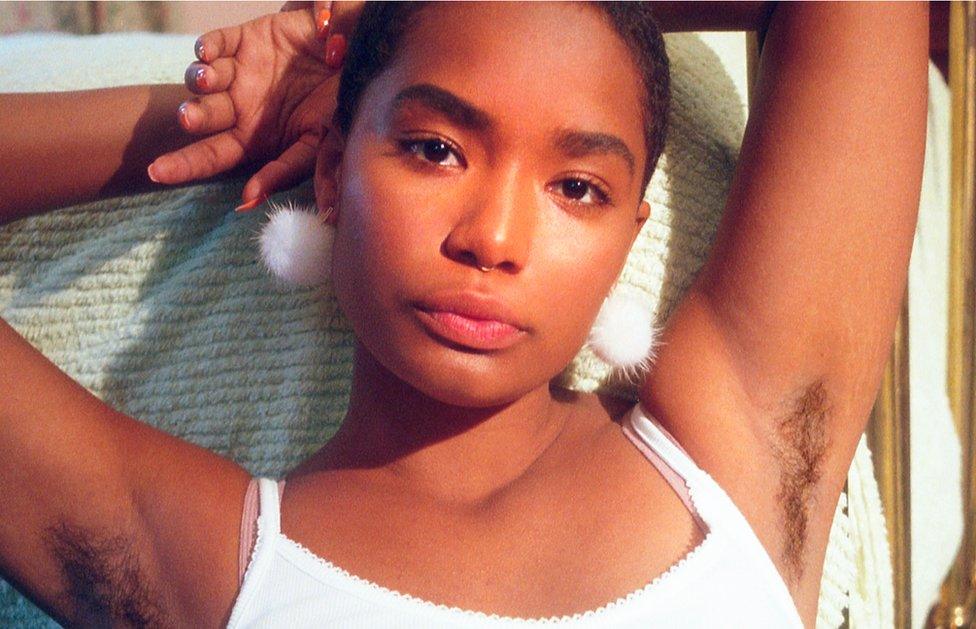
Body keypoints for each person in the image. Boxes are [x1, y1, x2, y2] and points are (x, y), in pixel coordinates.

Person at [0, 2, 928, 627]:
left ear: (627, 233)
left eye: (577, 186)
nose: (494, 237)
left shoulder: (743, 455)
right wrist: (227, 117)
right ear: (331, 172)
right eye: (436, 148)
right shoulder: (202, 567)